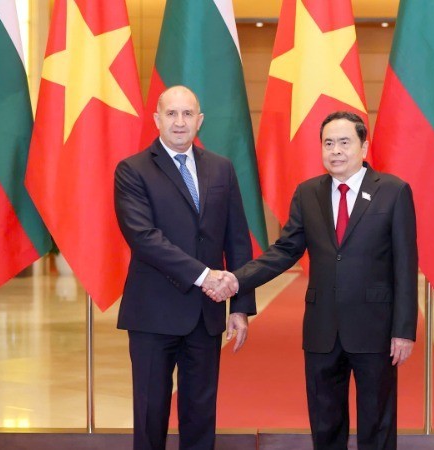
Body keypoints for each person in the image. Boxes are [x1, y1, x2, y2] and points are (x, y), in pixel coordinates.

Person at [206, 111, 418, 450]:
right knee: (324, 423)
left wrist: (404, 330)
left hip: (375, 328)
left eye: (345, 142)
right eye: (328, 143)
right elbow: (285, 250)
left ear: (364, 146)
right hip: (322, 330)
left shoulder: (393, 192)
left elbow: (406, 266)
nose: (335, 150)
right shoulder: (308, 194)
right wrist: (236, 279)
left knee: (377, 424)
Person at [114, 85, 255, 450]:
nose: (180, 122)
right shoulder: (132, 170)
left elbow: (237, 238)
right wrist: (205, 275)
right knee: (150, 414)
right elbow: (144, 238)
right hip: (152, 314)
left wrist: (240, 308)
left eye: (187, 114)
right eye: (172, 114)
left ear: (200, 120)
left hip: (205, 316)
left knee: (200, 416)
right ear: (157, 119)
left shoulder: (221, 168)